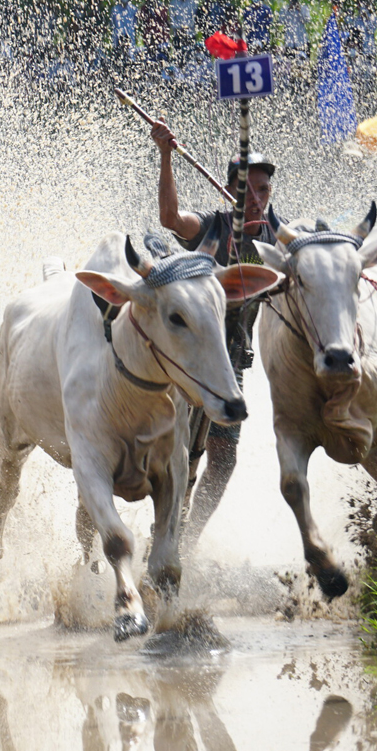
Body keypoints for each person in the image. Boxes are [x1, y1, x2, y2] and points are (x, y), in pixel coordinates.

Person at [152, 116, 276, 540]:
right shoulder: (214, 226)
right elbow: (170, 217)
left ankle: (189, 539)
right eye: (246, 190)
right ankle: (162, 522)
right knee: (176, 450)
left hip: (230, 363)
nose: (255, 199)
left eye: (263, 190)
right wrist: (167, 154)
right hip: (187, 358)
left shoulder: (277, 241)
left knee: (223, 458)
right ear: (230, 191)